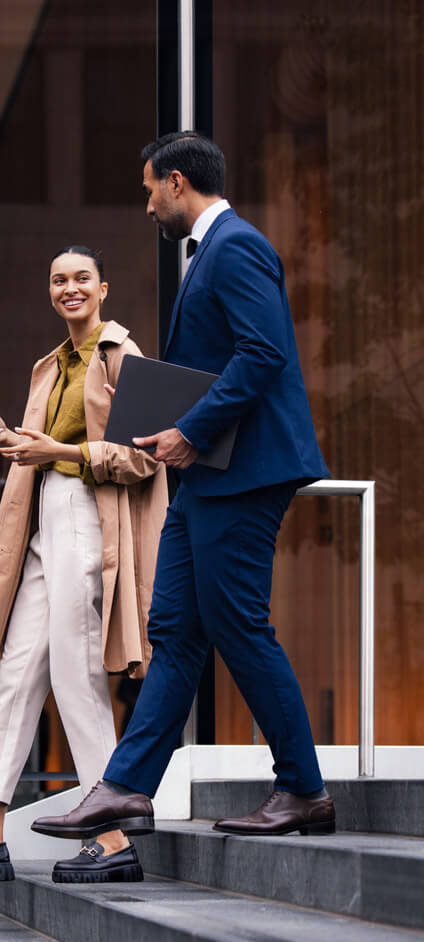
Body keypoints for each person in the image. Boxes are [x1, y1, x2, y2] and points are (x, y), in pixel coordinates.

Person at [31, 132, 336, 846]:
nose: (146, 206)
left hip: (244, 470)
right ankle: (127, 788)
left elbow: (266, 352)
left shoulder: (236, 246)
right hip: (207, 475)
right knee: (174, 631)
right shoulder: (216, 252)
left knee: (237, 625)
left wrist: (191, 429)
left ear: (175, 183)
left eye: (147, 190)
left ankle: (303, 789)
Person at [0, 246, 168, 885]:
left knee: (78, 676)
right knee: (17, 674)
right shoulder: (48, 367)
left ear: (104, 288)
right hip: (38, 516)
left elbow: (143, 459)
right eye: (58, 280)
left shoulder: (122, 357)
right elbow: (39, 454)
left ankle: (110, 837)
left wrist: (59, 449)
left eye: (81, 278)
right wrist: (9, 439)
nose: (70, 288)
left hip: (87, 512)